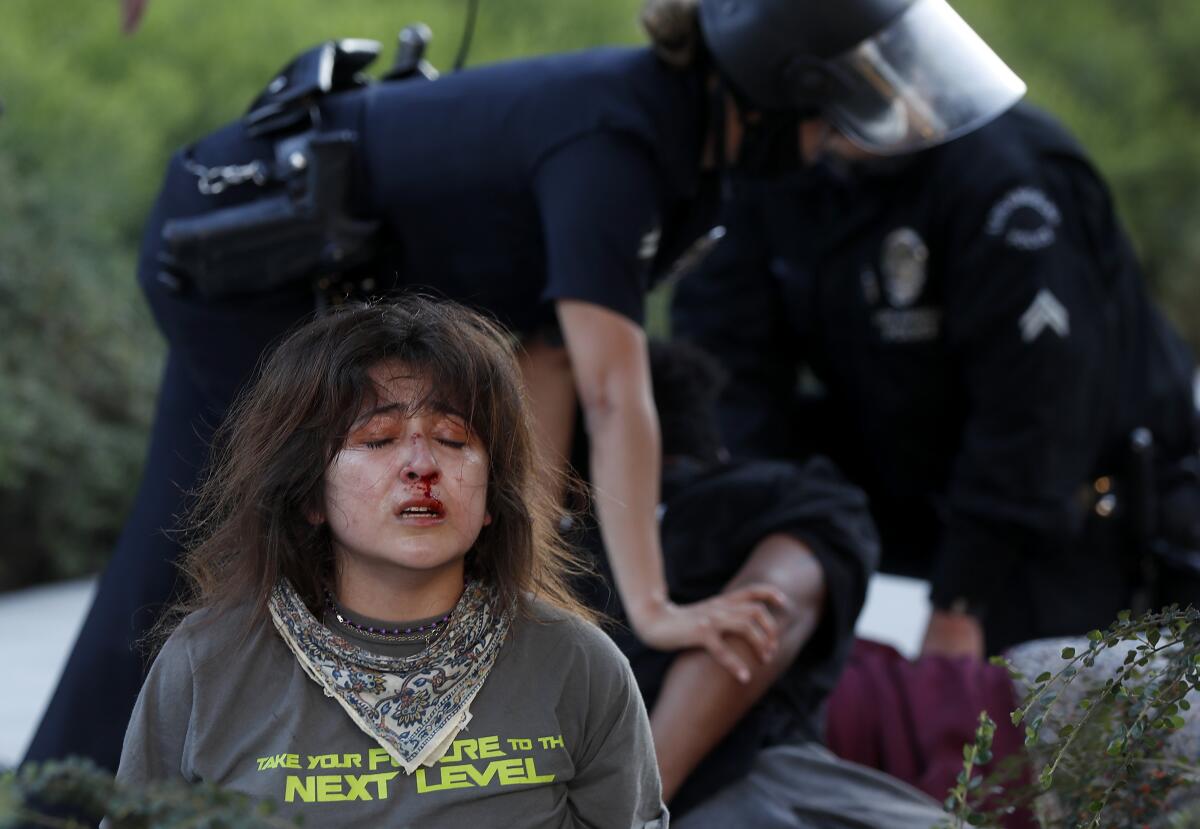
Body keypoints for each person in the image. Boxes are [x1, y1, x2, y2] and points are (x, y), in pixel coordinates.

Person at [28, 0, 1028, 771]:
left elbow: (544, 361)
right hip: (241, 269)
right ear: (782, 93)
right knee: (217, 548)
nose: (840, 142)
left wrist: (527, 580)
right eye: (835, 114)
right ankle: (72, 800)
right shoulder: (622, 138)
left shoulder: (691, 164)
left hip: (326, 292)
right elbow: (609, 391)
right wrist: (658, 608)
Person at [673, 0, 1200, 657]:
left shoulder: (1007, 178)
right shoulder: (771, 176)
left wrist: (961, 599)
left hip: (1063, 519)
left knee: (1028, 732)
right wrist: (745, 536)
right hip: (911, 487)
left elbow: (1036, 410)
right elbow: (726, 368)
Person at [113, 298, 667, 828]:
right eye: (378, 439)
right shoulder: (206, 665)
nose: (422, 466)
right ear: (308, 494)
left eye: (452, 439)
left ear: (492, 493)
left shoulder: (578, 663)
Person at [586, 340, 947, 827]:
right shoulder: (778, 493)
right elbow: (766, 612)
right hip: (749, 788)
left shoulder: (528, 542)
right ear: (715, 445)